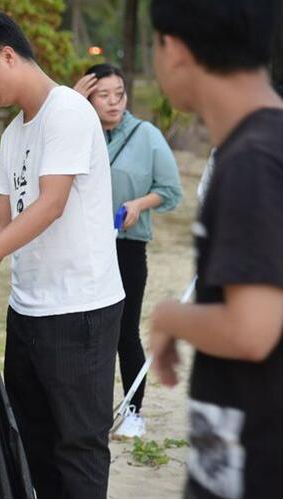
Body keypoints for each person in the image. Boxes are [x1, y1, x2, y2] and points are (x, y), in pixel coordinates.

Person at [0, 11, 125, 498]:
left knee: (77, 445)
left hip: (80, 309)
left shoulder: (66, 112)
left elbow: (51, 203)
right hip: (29, 308)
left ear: (7, 54)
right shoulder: (13, 134)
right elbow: (2, 216)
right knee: (33, 440)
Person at [148, 0, 282, 497]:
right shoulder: (265, 145)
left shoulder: (253, 160)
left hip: (255, 463)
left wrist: (168, 317)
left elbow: (252, 331)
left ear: (176, 48)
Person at [73, 63, 183, 437]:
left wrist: (139, 204)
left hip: (126, 249)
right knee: (82, 331)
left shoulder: (146, 135)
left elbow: (171, 192)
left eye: (119, 93)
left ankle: (133, 411)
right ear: (87, 97)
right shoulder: (75, 131)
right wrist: (70, 105)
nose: (114, 102)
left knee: (124, 332)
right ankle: (87, 413)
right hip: (81, 246)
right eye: (103, 95)